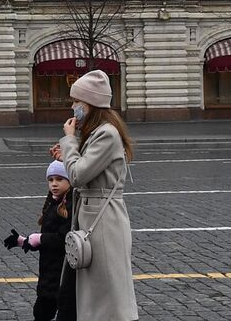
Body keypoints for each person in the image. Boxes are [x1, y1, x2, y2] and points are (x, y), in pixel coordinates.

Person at [56, 70, 137, 320]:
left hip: (103, 222)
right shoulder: (96, 132)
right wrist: (67, 152)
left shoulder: (106, 133)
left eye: (77, 102)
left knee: (105, 297)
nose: (73, 107)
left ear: (90, 104)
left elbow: (78, 174)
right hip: (93, 218)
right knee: (84, 293)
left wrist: (69, 142)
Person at [4, 159, 76, 320]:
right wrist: (24, 241)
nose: (54, 184)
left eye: (59, 179)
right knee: (41, 312)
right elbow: (47, 237)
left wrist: (40, 239)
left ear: (70, 181)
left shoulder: (70, 206)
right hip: (49, 273)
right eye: (50, 180)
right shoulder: (53, 204)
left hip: (63, 273)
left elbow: (64, 239)